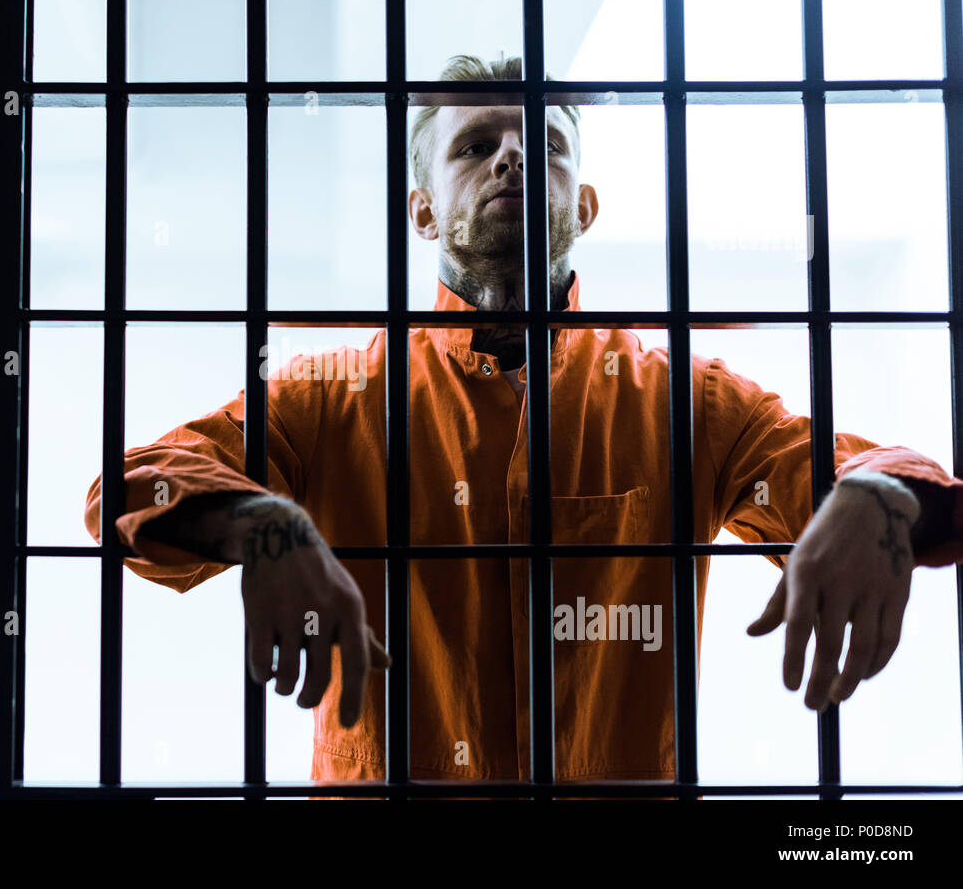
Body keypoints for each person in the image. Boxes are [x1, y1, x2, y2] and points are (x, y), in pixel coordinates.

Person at [84, 54, 963, 789]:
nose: (512, 157)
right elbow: (122, 488)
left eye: (543, 143)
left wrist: (878, 491)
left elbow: (889, 481)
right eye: (475, 145)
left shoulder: (688, 403)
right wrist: (259, 520)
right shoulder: (328, 400)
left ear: (582, 208)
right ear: (424, 208)